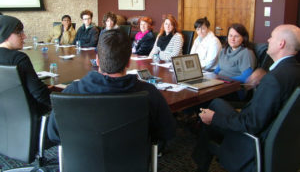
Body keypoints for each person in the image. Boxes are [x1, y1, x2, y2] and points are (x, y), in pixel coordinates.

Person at [192, 24, 300, 172]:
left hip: (252, 138)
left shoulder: (274, 80)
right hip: (283, 143)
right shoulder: (293, 70)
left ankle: (202, 163)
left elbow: (251, 123)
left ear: (281, 44)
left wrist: (215, 118)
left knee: (213, 111)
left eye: (272, 37)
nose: (268, 40)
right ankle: (203, 162)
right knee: (216, 104)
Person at [48, 29, 176, 144]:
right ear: (128, 63)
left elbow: (53, 134)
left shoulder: (72, 92)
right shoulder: (149, 93)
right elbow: (167, 133)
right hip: (132, 162)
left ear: (97, 60)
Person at [0, 15, 51, 115]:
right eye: (19, 33)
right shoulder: (18, 58)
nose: (24, 36)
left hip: (6, 115)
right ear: (5, 34)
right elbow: (39, 94)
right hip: (30, 115)